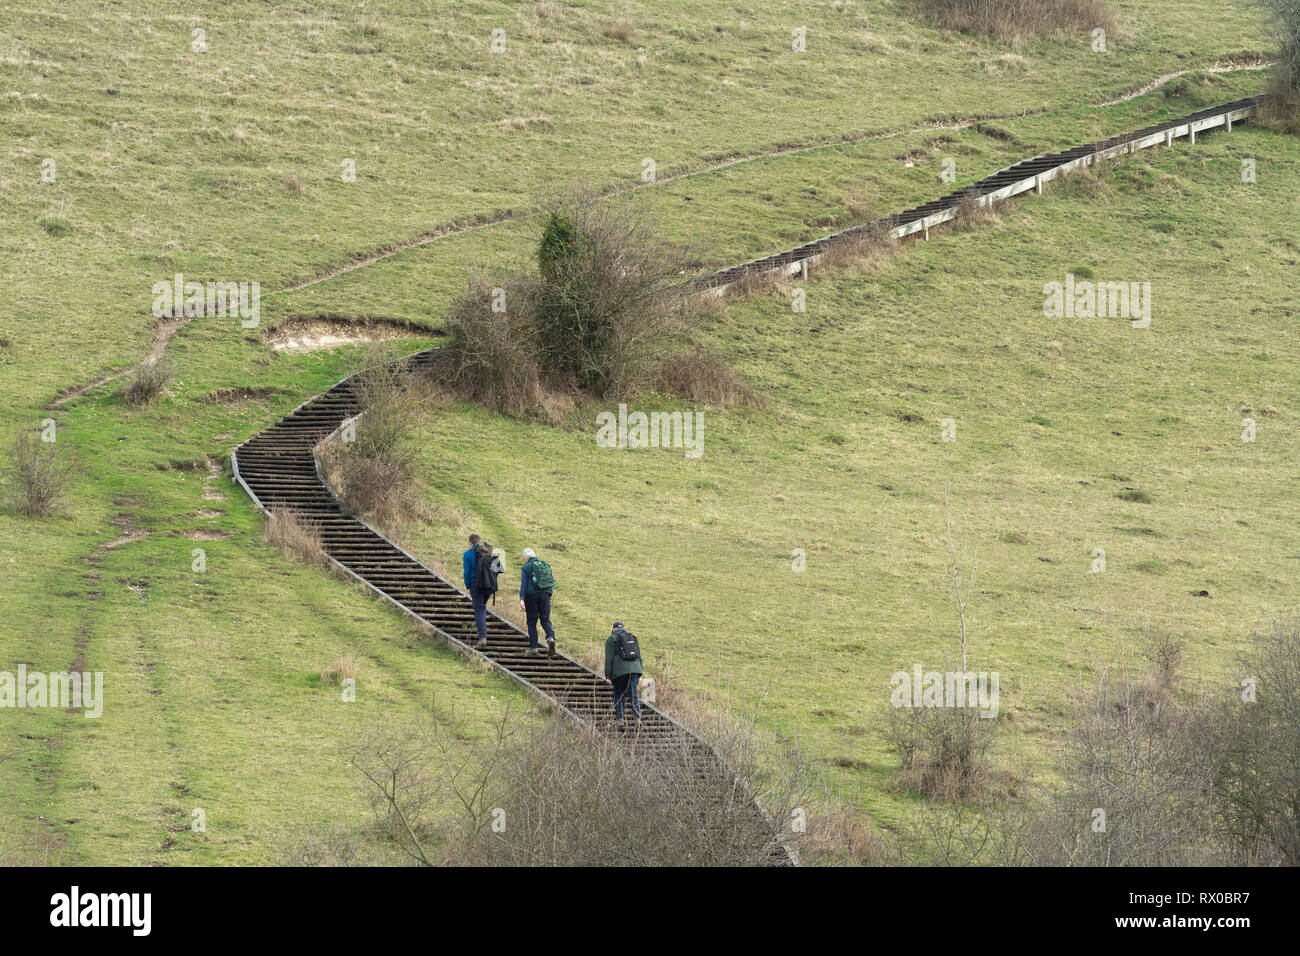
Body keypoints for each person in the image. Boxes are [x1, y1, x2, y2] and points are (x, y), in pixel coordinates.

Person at [519, 548, 556, 658]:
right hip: (545, 594)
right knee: (545, 619)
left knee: (531, 621)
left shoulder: (526, 567)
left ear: (526, 558)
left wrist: (521, 598)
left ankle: (533, 648)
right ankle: (550, 637)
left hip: (531, 596)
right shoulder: (545, 565)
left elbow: (524, 583)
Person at [604, 621, 643, 721]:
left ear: (613, 629)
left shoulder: (611, 639)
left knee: (619, 694)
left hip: (619, 672)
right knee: (633, 695)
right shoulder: (632, 637)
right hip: (635, 670)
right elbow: (639, 656)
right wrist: (639, 674)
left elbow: (609, 659)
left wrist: (608, 676)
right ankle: (638, 719)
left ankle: (620, 720)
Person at [462, 534, 488, 649]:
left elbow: (466, 572)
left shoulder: (468, 554)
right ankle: (481, 631)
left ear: (470, 543)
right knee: (482, 608)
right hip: (488, 586)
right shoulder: (488, 552)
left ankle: (482, 637)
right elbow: (497, 569)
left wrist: (467, 586)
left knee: (479, 609)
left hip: (475, 585)